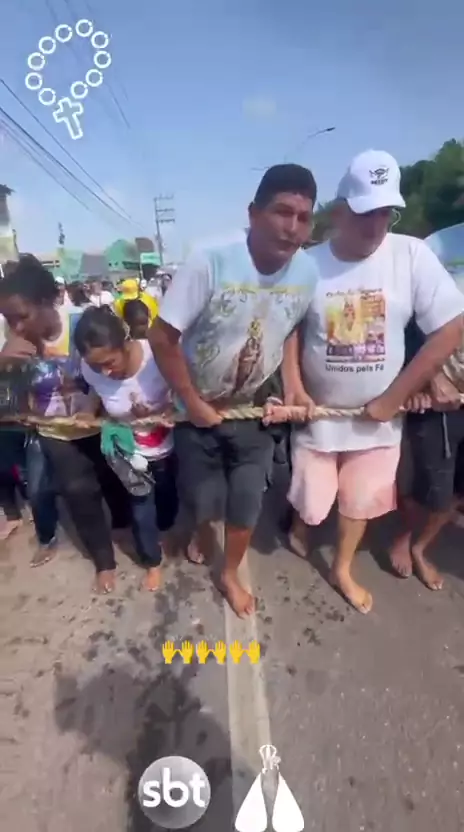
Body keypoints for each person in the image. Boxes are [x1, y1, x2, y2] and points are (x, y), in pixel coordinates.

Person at [278, 149, 464, 614]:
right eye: (365, 212)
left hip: (379, 420)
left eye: (385, 212)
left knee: (360, 500)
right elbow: (289, 329)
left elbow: (451, 328)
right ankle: (302, 524)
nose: (376, 224)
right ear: (340, 210)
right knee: (313, 498)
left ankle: (342, 567)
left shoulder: (412, 255)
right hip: (318, 414)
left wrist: (397, 395)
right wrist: (295, 387)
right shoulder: (307, 265)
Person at [149, 163, 320, 617]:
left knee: (246, 501)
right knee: (205, 501)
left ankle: (229, 572)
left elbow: (291, 326)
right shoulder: (210, 260)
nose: (292, 227)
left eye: (304, 217)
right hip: (197, 411)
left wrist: (294, 386)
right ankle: (199, 528)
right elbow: (161, 337)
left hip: (253, 410)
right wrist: (192, 402)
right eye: (282, 212)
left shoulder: (307, 272)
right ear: (253, 213)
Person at [0, 258, 131, 589]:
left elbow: (118, 366)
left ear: (46, 302)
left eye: (22, 316)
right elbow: (12, 393)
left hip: (100, 425)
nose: (16, 327)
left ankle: (124, 524)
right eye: (8, 319)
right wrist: (3, 364)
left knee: (113, 478)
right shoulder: (11, 343)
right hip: (55, 432)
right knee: (78, 494)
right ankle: (103, 561)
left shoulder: (81, 325)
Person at [74, 306, 178, 590]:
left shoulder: (156, 357)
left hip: (165, 446)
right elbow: (96, 390)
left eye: (109, 362)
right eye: (96, 367)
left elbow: (182, 389)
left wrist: (164, 410)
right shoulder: (91, 369)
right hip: (128, 452)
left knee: (167, 497)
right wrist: (89, 410)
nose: (105, 372)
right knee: (141, 508)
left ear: (125, 342)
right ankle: (152, 561)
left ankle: (167, 531)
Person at [389, 315, 464, 590]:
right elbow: (411, 321)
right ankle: (405, 536)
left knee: (459, 489)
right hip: (437, 401)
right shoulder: (449, 288)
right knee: (431, 486)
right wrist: (429, 377)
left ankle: (420, 547)